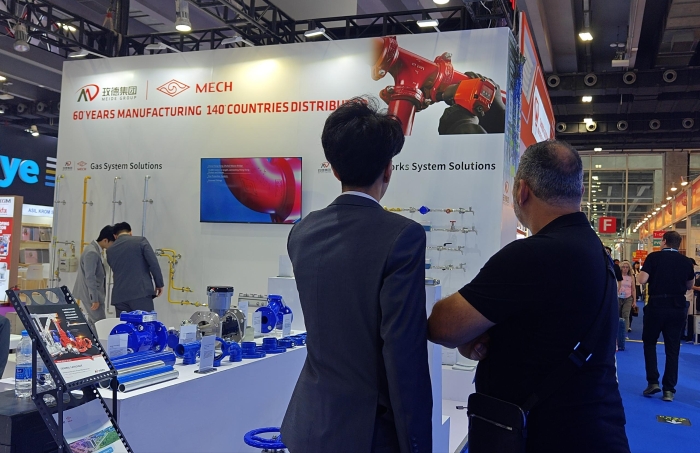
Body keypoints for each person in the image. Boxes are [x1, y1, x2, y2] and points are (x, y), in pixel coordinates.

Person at [427, 139, 630, 453]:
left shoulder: (532, 255)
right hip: (594, 426)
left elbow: (442, 326)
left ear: (521, 190)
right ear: (579, 191)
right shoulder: (595, 251)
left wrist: (475, 336)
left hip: (543, 435)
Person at [280, 98, 432, 453]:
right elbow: (403, 353)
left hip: (307, 423)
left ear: (334, 170)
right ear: (388, 169)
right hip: (368, 432)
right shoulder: (403, 236)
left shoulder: (301, 232)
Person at [637, 231, 694, 402]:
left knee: (649, 343)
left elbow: (642, 280)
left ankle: (653, 381)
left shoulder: (654, 257)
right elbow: (689, 285)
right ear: (678, 243)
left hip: (656, 306)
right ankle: (669, 389)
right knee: (673, 348)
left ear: (664, 241)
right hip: (677, 308)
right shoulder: (686, 261)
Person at [106, 222, 164, 316]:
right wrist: (159, 284)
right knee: (145, 323)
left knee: (124, 324)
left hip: (119, 296)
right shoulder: (140, 241)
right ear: (130, 232)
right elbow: (153, 263)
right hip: (140, 293)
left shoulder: (110, 250)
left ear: (115, 236)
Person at [72, 225, 114, 330]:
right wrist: (94, 299)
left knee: (93, 323)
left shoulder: (94, 250)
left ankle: (93, 340)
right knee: (100, 323)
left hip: (91, 293)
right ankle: (99, 341)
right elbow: (90, 277)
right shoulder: (92, 253)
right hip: (91, 294)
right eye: (113, 242)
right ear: (105, 240)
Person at [618, 260, 636, 336]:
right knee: (618, 314)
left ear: (629, 268)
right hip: (618, 297)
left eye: (627, 267)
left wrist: (634, 301)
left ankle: (624, 333)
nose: (625, 269)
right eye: (623, 267)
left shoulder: (631, 277)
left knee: (626, 314)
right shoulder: (618, 276)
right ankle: (617, 332)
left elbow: (633, 289)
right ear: (621, 268)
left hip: (628, 298)